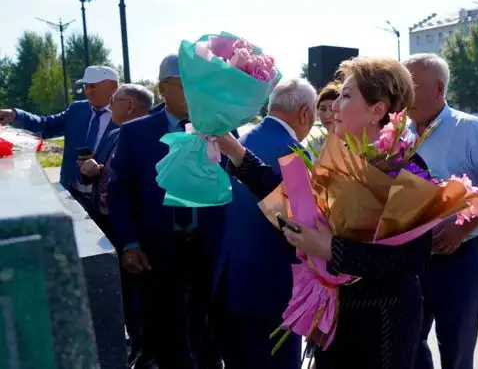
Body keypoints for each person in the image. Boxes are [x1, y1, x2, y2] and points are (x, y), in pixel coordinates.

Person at [217, 57, 431, 369]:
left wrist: (330, 248)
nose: (333, 108)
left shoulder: (405, 167)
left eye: (346, 96)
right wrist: (235, 150)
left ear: (377, 110)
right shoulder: (337, 160)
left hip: (383, 318)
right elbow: (292, 201)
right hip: (335, 311)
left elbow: (413, 257)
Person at [107, 55, 227, 369]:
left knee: (208, 342)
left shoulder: (221, 131)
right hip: (157, 253)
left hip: (209, 252)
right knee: (168, 339)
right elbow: (119, 193)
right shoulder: (136, 134)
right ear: (164, 89)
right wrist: (129, 244)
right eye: (186, 85)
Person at [403, 53, 478, 369]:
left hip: (459, 260)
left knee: (456, 350)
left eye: (412, 87)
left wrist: (462, 227)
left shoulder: (470, 129)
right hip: (410, 259)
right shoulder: (400, 134)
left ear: (439, 88)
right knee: (409, 345)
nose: (404, 95)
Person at [214, 78, 317, 369]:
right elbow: (301, 223)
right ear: (305, 112)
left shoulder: (241, 141)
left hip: (232, 283)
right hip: (276, 291)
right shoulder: (292, 151)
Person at [77, 83, 154, 366]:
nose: (110, 105)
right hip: (107, 224)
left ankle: (149, 349)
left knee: (142, 295)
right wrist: (93, 171)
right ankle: (136, 343)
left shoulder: (151, 136)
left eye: (115, 100)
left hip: (137, 229)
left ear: (131, 106)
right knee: (123, 293)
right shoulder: (112, 134)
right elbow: (108, 171)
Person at [0, 65, 119, 208]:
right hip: (72, 195)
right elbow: (47, 125)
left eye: (93, 86)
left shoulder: (128, 115)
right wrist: (15, 115)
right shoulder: (77, 110)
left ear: (113, 86)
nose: (88, 91)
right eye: (86, 86)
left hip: (107, 202)